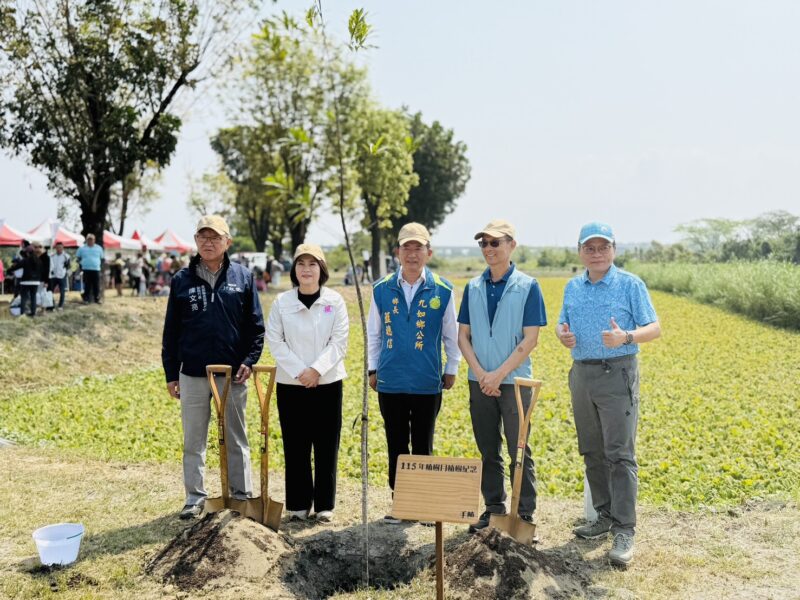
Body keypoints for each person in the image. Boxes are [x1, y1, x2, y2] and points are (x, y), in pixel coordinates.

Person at [556, 222, 661, 567]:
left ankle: (624, 528)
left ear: (613, 250)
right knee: (591, 449)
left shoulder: (630, 284)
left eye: (603, 247)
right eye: (590, 248)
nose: (597, 253)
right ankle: (603, 515)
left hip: (617, 373)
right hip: (582, 374)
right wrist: (563, 335)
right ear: (580, 252)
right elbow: (562, 323)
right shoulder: (573, 286)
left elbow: (654, 328)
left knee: (619, 453)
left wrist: (627, 337)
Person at [162, 215, 265, 519]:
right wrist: (171, 373)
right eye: (202, 237)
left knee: (236, 436)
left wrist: (248, 361)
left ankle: (241, 495)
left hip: (232, 373)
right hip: (192, 372)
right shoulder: (181, 280)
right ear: (195, 241)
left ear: (227, 242)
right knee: (194, 439)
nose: (208, 243)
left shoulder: (243, 278)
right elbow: (171, 332)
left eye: (214, 237)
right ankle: (195, 497)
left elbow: (256, 327)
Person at [457, 219, 547, 533]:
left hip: (515, 382)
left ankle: (523, 515)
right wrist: (482, 374)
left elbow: (530, 339)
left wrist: (498, 375)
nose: (489, 249)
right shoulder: (473, 287)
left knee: (519, 449)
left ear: (511, 245)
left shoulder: (528, 286)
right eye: (484, 243)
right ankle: (493, 507)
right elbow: (462, 337)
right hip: (479, 381)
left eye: (495, 243)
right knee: (487, 448)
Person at [367, 222, 461, 523]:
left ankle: (422, 503)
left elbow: (452, 334)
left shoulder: (443, 290)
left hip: (426, 380)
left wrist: (452, 368)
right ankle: (400, 502)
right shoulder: (381, 290)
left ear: (428, 253)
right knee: (396, 441)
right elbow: (375, 334)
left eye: (418, 247)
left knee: (423, 442)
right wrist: (373, 368)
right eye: (406, 247)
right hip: (391, 379)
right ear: (397, 252)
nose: (412, 253)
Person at [266, 244, 349, 523]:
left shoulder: (335, 301)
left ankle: (325, 504)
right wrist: (301, 371)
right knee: (296, 444)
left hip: (327, 383)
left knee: (326, 443)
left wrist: (316, 370)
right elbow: (275, 341)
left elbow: (339, 342)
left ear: (321, 270)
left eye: (313, 264)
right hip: (291, 384)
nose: (306, 269)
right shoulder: (282, 303)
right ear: (294, 270)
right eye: (301, 263)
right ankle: (298, 505)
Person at [11, 244, 46, 317]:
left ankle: (22, 313)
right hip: (36, 282)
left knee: (24, 297)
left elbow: (17, 266)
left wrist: (8, 270)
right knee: (33, 297)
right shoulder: (39, 260)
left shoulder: (25, 260)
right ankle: (33, 313)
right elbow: (42, 271)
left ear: (27, 253)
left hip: (25, 281)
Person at [76, 233, 104, 304]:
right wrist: (80, 265)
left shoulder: (99, 248)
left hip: (96, 269)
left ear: (94, 240)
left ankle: (97, 299)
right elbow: (78, 258)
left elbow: (102, 258)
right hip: (86, 269)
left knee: (96, 285)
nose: (90, 241)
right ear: (86, 240)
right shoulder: (82, 248)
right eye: (89, 239)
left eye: (91, 239)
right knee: (87, 285)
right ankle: (86, 299)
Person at [49, 242, 71, 310]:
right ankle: (51, 305)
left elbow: (68, 266)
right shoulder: (52, 255)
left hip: (62, 275)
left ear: (63, 248)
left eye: (60, 247)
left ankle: (60, 305)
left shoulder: (67, 256)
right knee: (50, 291)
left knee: (62, 291)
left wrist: (67, 273)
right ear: (55, 248)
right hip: (53, 276)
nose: (59, 249)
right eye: (57, 247)